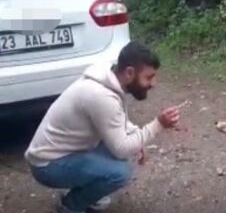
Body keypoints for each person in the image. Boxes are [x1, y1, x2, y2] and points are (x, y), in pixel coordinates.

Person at [25, 41, 180, 213]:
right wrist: (158, 124)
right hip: (48, 165)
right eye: (149, 77)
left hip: (64, 152)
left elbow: (115, 120)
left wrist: (136, 133)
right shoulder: (101, 96)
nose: (153, 83)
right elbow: (121, 148)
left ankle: (83, 191)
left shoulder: (108, 78)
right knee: (119, 172)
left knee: (127, 151)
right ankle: (70, 205)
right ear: (129, 72)